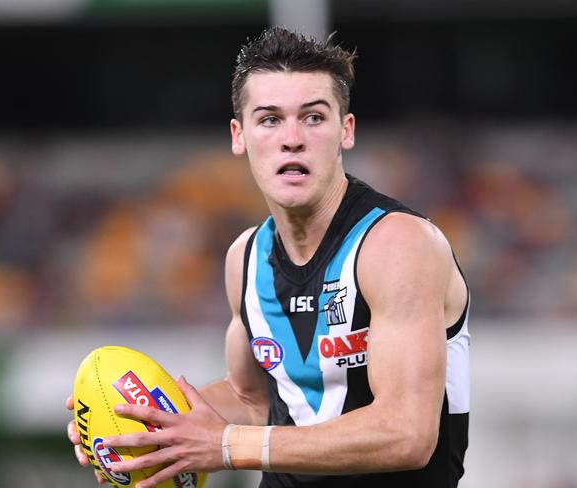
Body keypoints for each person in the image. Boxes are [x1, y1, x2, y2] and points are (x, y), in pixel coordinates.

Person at [66, 26, 470, 488]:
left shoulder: (397, 245)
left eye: (314, 118)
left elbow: (407, 434)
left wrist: (224, 446)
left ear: (347, 130)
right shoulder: (246, 258)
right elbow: (253, 400)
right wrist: (130, 422)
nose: (292, 138)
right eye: (270, 119)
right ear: (239, 136)